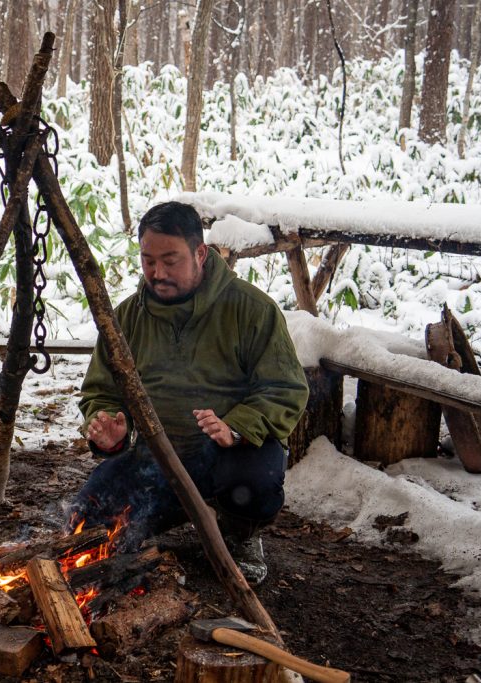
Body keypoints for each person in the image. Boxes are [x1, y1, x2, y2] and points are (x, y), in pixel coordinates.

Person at [67, 201, 309, 585]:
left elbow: (285, 389)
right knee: (86, 521)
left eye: (170, 260)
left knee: (253, 482)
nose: (157, 273)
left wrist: (236, 426)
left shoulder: (251, 310)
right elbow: (101, 392)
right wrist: (109, 432)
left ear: (200, 253)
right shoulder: (127, 317)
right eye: (147, 260)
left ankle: (238, 532)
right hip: (156, 460)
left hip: (227, 459)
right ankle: (164, 517)